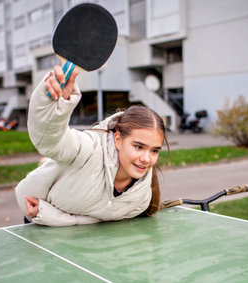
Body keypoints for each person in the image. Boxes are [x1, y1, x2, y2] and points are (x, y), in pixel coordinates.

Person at [15, 65, 167, 226]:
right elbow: (50, 140)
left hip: (54, 219)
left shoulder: (141, 198)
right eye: (138, 146)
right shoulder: (89, 147)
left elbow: (98, 219)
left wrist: (49, 215)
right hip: (36, 213)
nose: (146, 158)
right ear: (118, 139)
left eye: (154, 150)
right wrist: (53, 107)